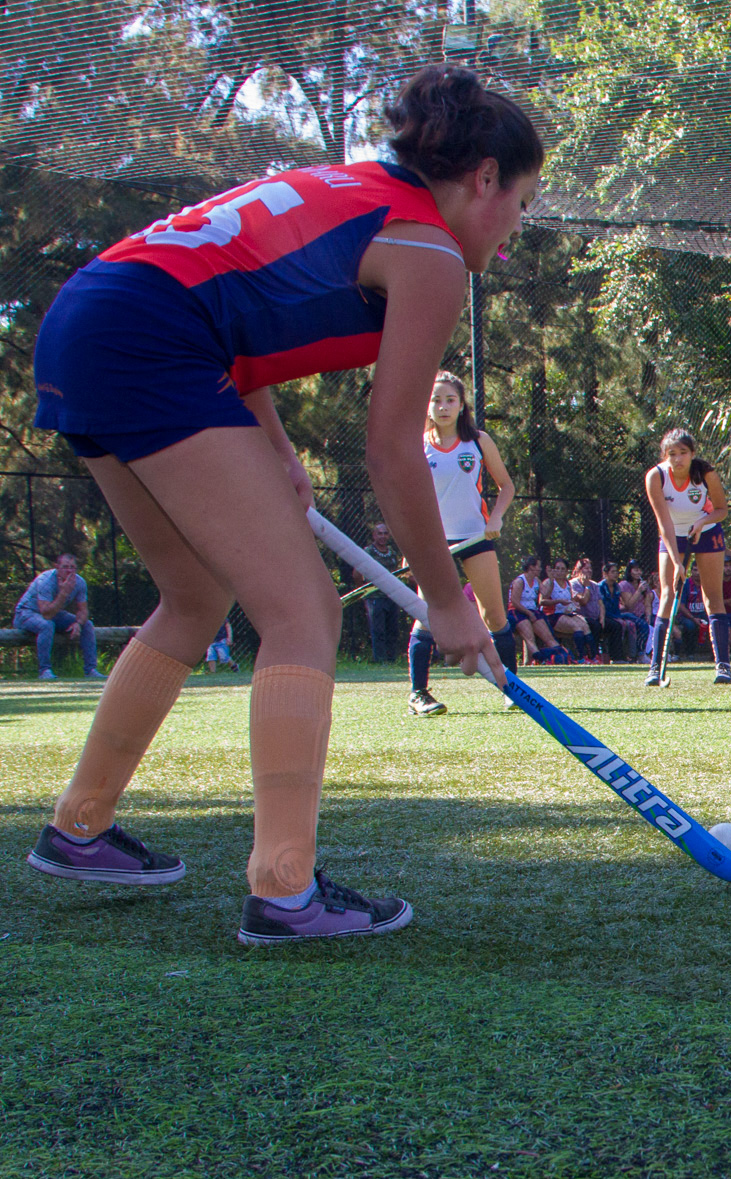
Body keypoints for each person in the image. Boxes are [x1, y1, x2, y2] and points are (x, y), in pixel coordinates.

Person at [24, 63, 539, 944]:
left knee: (195, 597)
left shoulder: (348, 190)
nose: (517, 227)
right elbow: (391, 452)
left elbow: (232, 299)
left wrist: (272, 443)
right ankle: (285, 890)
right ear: (483, 177)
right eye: (521, 201)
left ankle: (79, 826)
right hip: (154, 341)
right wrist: (448, 602)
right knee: (301, 610)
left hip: (88, 321)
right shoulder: (428, 252)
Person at [407, 370, 520, 716]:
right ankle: (418, 694)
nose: (443, 406)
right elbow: (405, 495)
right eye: (436, 400)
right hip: (433, 543)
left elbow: (507, 487)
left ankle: (512, 688)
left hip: (475, 536)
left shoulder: (478, 441)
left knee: (495, 615)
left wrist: (496, 518)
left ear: (461, 405)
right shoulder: (417, 442)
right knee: (427, 616)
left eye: (450, 400)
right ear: (427, 407)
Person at [642, 428, 731, 685]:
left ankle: (723, 666)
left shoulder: (705, 474)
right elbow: (664, 524)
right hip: (673, 535)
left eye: (683, 453)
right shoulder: (656, 477)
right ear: (664, 456)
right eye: (672, 454)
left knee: (712, 596)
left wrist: (702, 521)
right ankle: (655, 667)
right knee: (667, 595)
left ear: (692, 453)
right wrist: (675, 561)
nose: (678, 459)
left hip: (706, 531)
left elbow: (721, 510)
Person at [13, 552, 102, 680]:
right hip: (26, 613)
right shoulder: (46, 581)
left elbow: (83, 611)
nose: (69, 571)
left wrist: (78, 623)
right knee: (47, 625)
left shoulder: (79, 582)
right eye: (65, 567)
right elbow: (46, 613)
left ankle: (91, 670)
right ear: (57, 567)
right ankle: (45, 671)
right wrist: (64, 593)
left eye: (72, 567)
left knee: (87, 625)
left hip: (53, 613)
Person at [356, 522, 406, 663]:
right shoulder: (368, 552)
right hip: (375, 597)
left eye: (385, 533)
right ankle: (379, 659)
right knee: (378, 630)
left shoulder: (392, 553)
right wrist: (364, 592)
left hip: (391, 596)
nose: (383, 536)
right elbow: (357, 573)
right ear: (374, 535)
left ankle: (391, 658)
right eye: (380, 533)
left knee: (393, 629)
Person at [507, 555, 568, 664]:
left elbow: (545, 594)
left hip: (532, 611)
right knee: (529, 637)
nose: (540, 569)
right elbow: (515, 602)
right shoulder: (520, 581)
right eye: (538, 566)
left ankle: (561, 656)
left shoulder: (536, 580)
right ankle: (541, 659)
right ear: (531, 567)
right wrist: (528, 613)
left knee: (548, 637)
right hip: (517, 611)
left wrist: (551, 580)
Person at [541, 558, 594, 662]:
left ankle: (593, 657)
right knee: (577, 626)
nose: (560, 571)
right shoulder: (548, 582)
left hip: (565, 614)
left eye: (562, 569)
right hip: (552, 615)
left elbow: (569, 600)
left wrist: (573, 604)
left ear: (566, 572)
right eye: (557, 569)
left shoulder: (567, 584)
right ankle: (580, 658)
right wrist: (558, 601)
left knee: (585, 625)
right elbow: (542, 601)